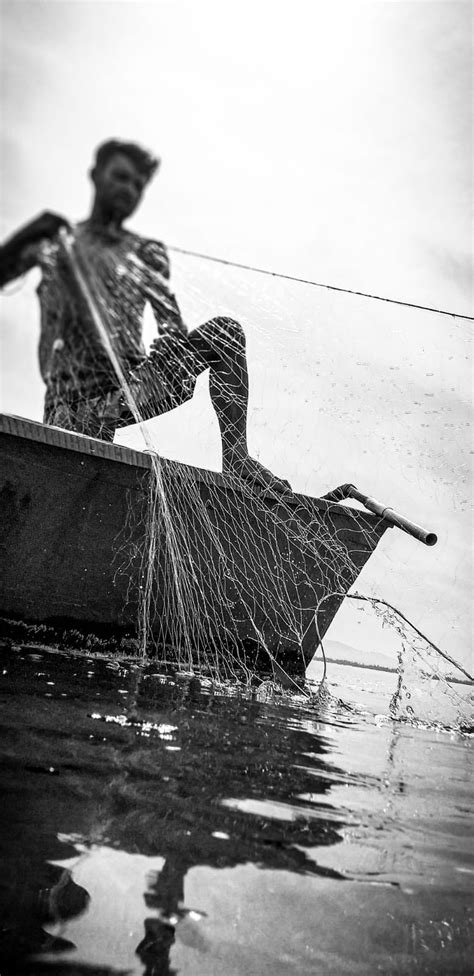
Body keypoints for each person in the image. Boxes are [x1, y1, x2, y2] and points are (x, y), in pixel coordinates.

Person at [0, 139, 291, 495]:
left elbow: (170, 321)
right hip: (71, 404)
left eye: (138, 185)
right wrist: (25, 237)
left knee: (225, 334)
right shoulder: (55, 242)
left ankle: (237, 459)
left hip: (131, 386)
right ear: (96, 176)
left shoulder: (143, 253)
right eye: (121, 177)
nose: (129, 189)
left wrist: (170, 337)